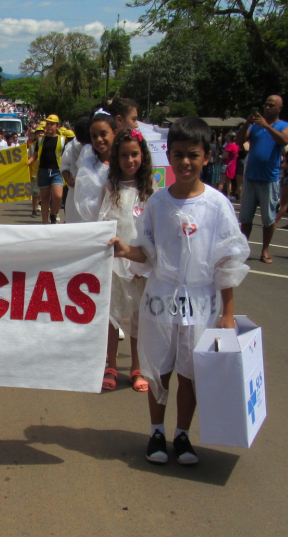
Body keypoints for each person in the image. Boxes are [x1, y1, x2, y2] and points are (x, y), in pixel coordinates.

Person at [109, 117, 250, 465]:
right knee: (160, 368)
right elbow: (149, 251)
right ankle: (157, 430)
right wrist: (127, 250)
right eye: (178, 155)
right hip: (161, 299)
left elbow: (227, 262)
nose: (185, 162)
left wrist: (228, 312)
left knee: (190, 370)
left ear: (206, 157)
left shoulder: (217, 205)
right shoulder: (157, 204)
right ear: (167, 156)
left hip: (201, 302)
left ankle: (182, 435)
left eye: (193, 155)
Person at [99, 128, 154, 393]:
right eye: (123, 155)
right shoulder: (111, 187)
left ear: (142, 155)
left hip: (140, 262)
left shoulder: (150, 190)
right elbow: (102, 222)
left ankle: (136, 366)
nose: (129, 161)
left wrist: (146, 259)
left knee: (136, 317)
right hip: (114, 262)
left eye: (134, 154)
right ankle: (110, 364)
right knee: (112, 315)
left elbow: (154, 229)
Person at [236, 95, 288, 263]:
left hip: (269, 179)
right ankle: (243, 249)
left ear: (279, 108)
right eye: (266, 105)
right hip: (251, 178)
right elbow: (239, 141)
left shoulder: (284, 126)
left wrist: (266, 126)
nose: (267, 108)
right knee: (245, 217)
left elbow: (284, 140)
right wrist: (247, 123)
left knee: (268, 219)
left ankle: (265, 250)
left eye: (271, 105)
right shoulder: (254, 126)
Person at [66, 111, 116, 224]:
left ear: (115, 133)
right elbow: (84, 202)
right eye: (94, 136)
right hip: (96, 225)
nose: (99, 139)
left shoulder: (122, 163)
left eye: (103, 134)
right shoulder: (88, 165)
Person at [29, 114, 66, 224]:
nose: (49, 126)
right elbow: (35, 154)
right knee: (44, 199)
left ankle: (53, 213)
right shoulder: (40, 140)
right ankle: (45, 223)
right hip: (43, 171)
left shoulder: (63, 140)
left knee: (58, 196)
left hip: (57, 171)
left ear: (57, 126)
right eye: (48, 124)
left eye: (52, 124)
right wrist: (29, 160)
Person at [219, 132, 239, 200]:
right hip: (232, 164)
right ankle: (228, 195)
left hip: (226, 164)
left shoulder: (230, 145)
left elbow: (224, 156)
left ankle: (218, 194)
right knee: (228, 181)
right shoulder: (236, 145)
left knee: (222, 180)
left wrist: (220, 156)